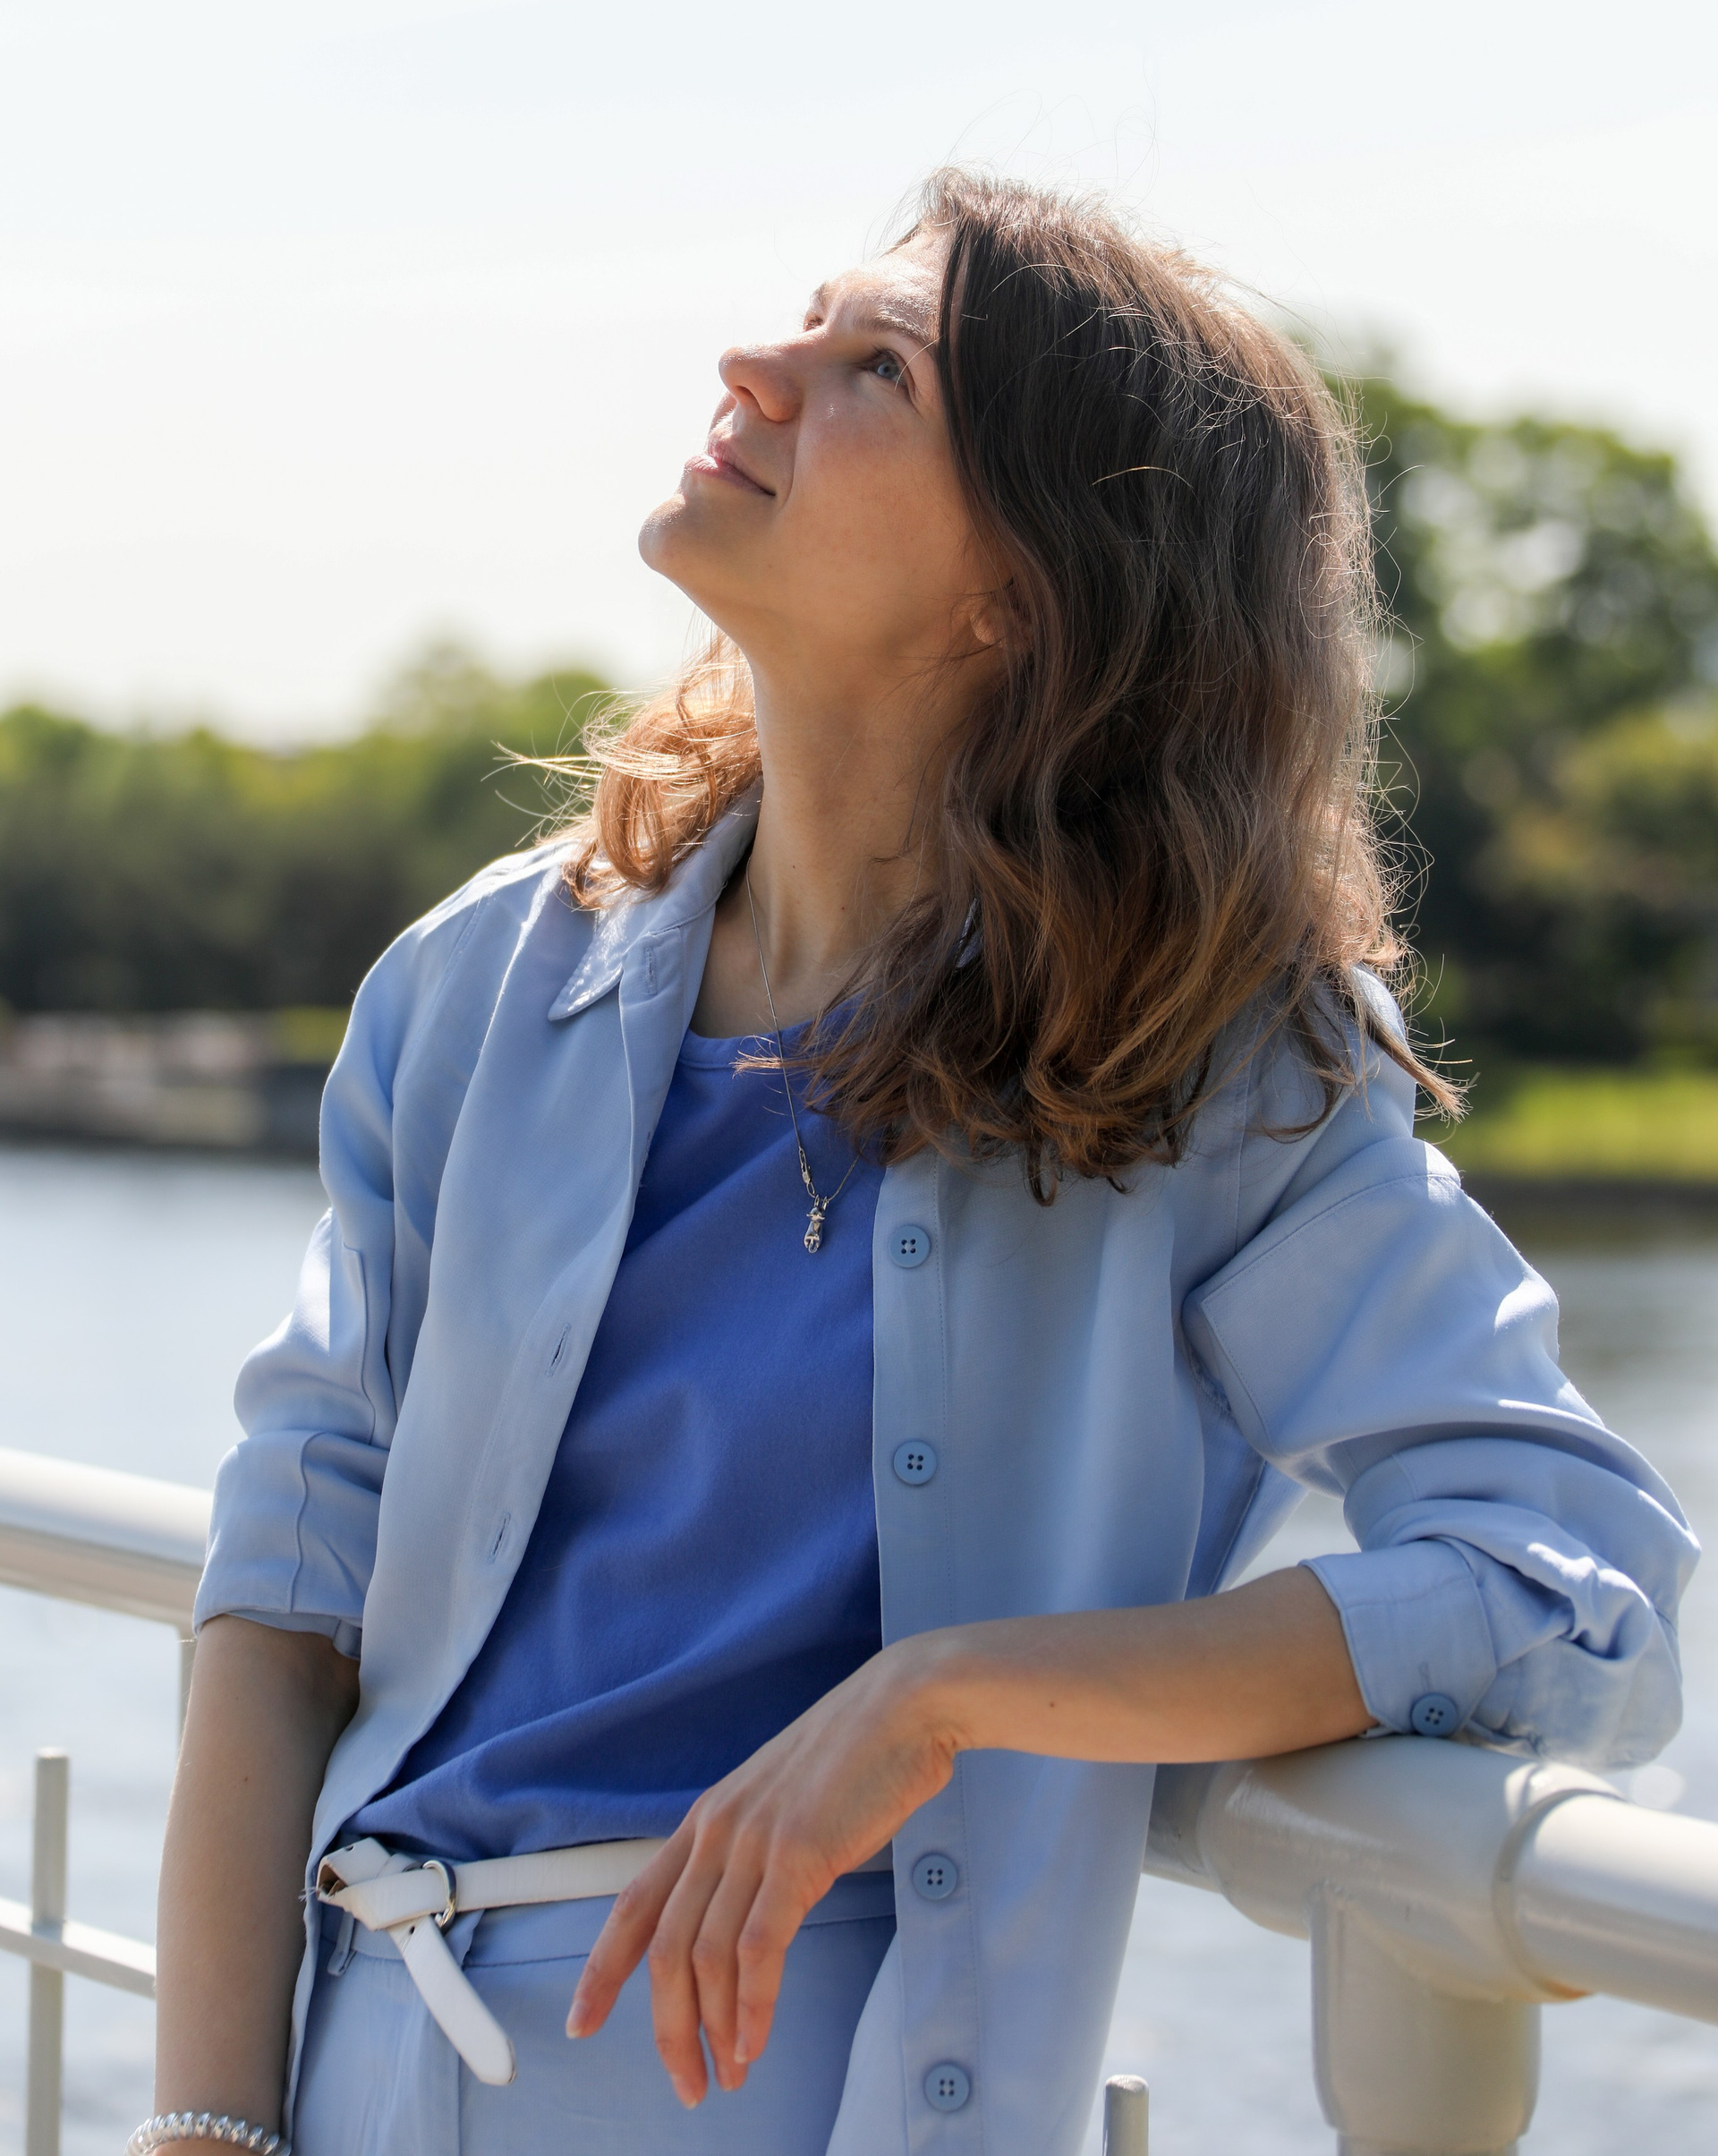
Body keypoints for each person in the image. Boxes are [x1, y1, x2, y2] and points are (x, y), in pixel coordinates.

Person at [142, 174, 1694, 2156]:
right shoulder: (471, 990)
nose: (754, 366)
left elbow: (1573, 1589)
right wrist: (203, 2129)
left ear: (1025, 590)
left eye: (877, 367)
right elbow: (287, 1593)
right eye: (807, 318)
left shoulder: (1217, 1066)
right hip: (351, 2075)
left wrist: (957, 1694)